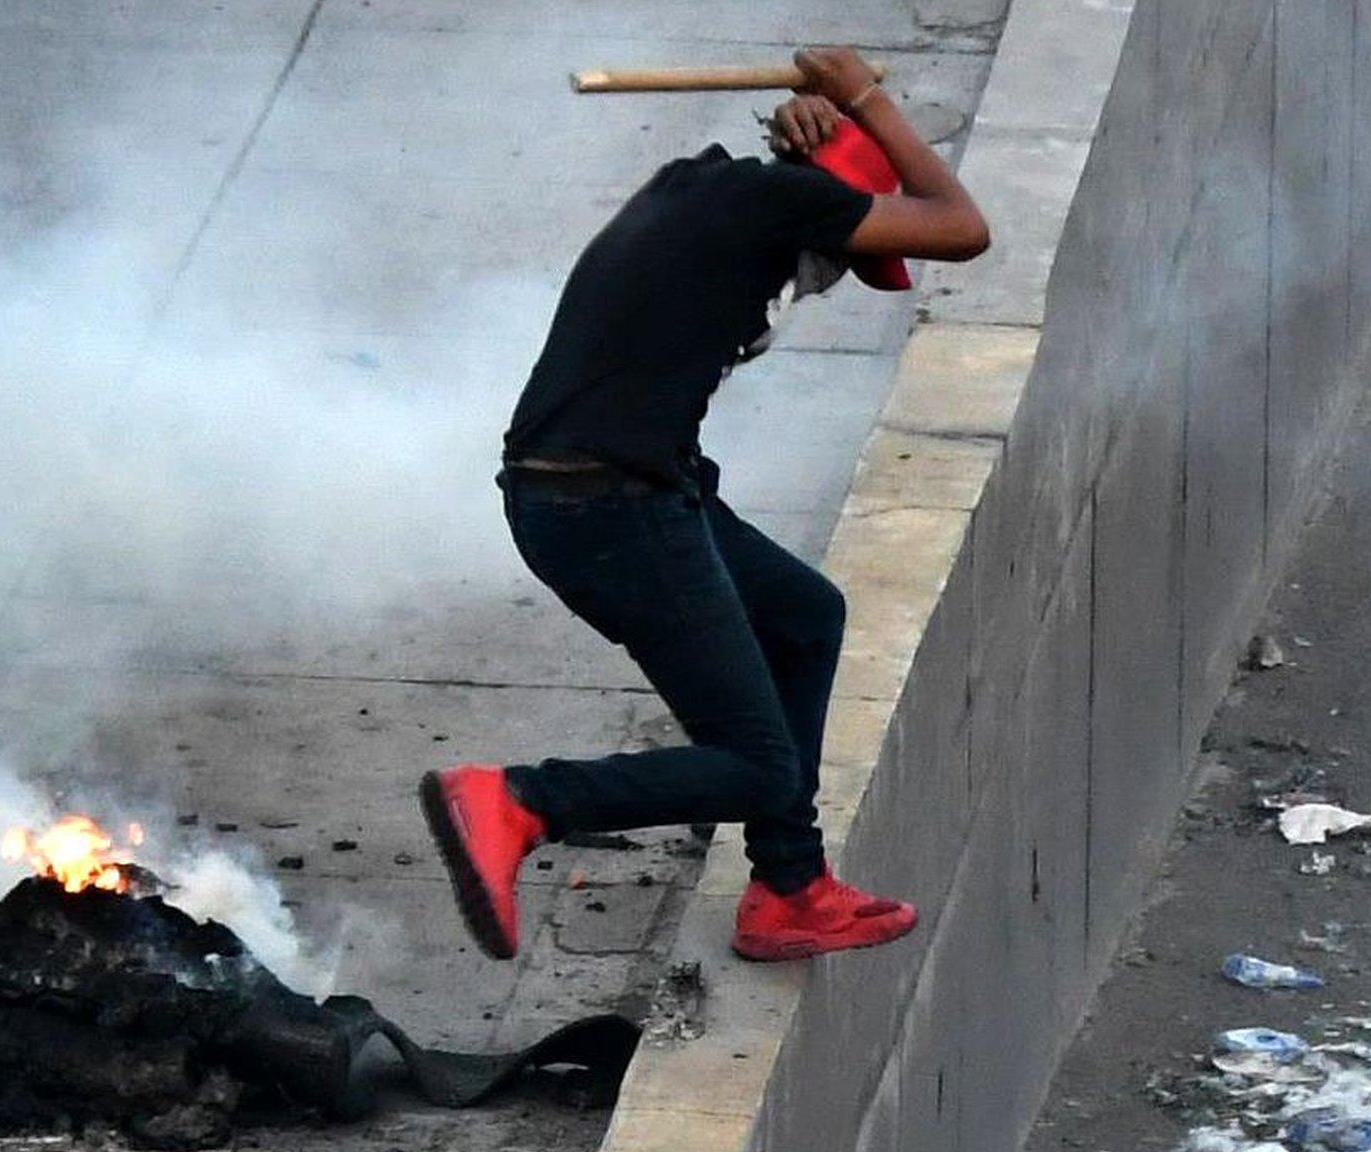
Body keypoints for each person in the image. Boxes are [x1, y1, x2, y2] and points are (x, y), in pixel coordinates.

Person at [419, 46, 990, 963]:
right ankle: (519, 800)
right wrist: (867, 101)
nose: (836, 281)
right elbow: (962, 228)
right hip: (607, 509)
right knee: (755, 764)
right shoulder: (778, 208)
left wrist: (822, 115)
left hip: (621, 486)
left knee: (806, 615)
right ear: (828, 216)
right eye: (851, 257)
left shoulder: (703, 191)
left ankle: (791, 889)